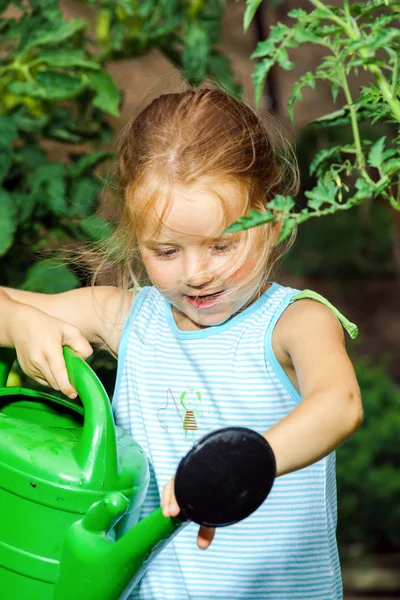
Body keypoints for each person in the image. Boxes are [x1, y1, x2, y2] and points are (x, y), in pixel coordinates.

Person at [0, 88, 362, 600]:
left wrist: (237, 466)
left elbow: (339, 403)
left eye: (222, 244)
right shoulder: (130, 319)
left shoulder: (293, 323)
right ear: (134, 237)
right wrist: (17, 322)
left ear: (273, 222)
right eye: (166, 250)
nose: (196, 274)